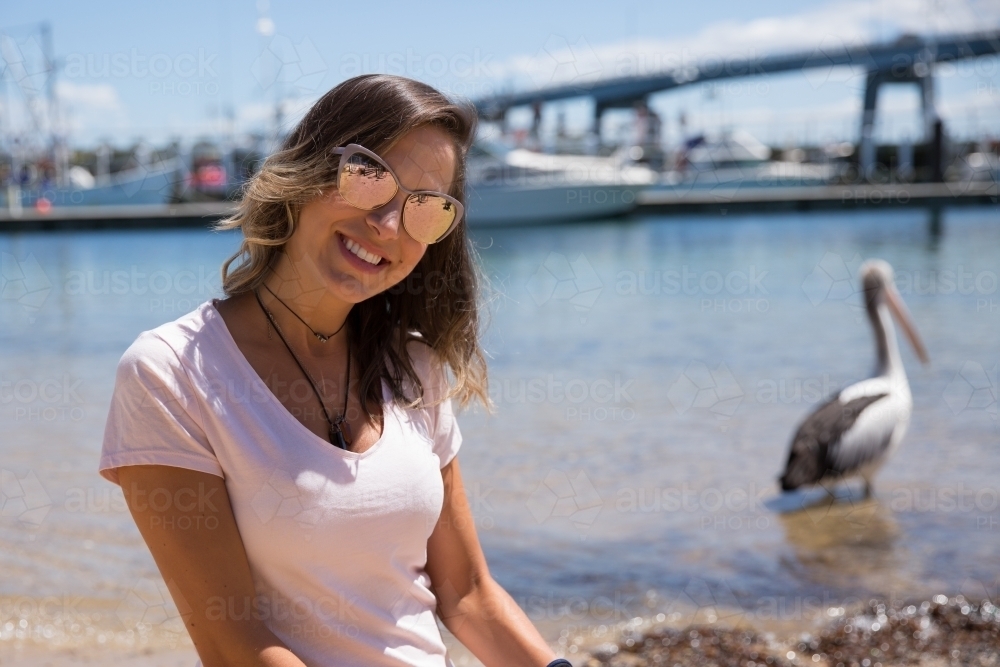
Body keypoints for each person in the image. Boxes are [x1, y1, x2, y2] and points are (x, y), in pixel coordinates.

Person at [99, 74, 571, 667]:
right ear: (307, 172)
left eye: (426, 207)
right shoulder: (169, 375)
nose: (390, 226)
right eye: (370, 177)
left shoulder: (414, 366)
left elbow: (467, 595)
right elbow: (233, 644)